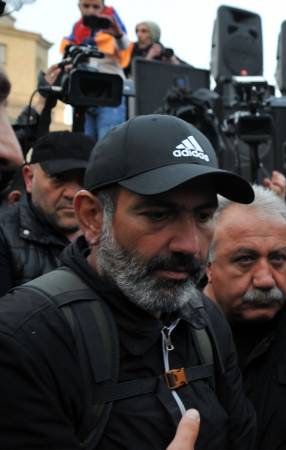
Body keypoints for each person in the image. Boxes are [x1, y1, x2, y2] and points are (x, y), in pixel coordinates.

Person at [0, 114, 256, 448]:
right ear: (92, 217)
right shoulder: (24, 338)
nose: (189, 245)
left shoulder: (204, 320)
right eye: (158, 215)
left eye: (203, 216)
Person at [204, 185, 286, 449]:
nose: (265, 279)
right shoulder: (172, 332)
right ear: (207, 264)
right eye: (244, 259)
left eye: (278, 259)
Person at [0, 131, 94, 295]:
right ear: (29, 178)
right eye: (58, 178)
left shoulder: (109, 236)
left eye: (84, 179)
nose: (72, 193)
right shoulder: (4, 235)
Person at [62, 0, 131, 139]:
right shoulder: (77, 28)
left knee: (109, 141)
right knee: (84, 142)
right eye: (86, 6)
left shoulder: (110, 22)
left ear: (103, 7)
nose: (91, 10)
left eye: (95, 6)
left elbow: (124, 47)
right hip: (84, 92)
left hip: (109, 90)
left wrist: (117, 33)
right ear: (79, 7)